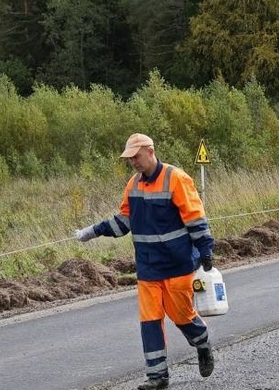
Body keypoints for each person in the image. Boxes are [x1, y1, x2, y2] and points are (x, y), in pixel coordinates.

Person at [74, 133, 216, 390]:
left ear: (150, 152)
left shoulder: (176, 179)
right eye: (129, 159)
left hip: (178, 264)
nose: (133, 163)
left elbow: (195, 218)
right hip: (148, 267)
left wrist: (206, 250)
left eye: (136, 157)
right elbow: (124, 222)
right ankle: (157, 377)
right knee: (150, 320)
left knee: (181, 315)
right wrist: (93, 231)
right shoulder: (133, 184)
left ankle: (202, 343)